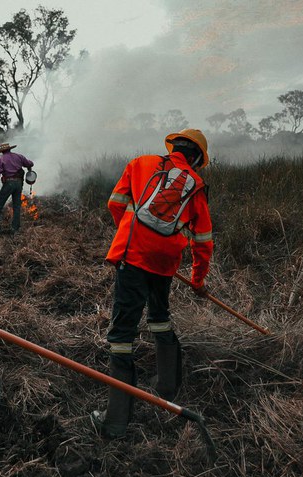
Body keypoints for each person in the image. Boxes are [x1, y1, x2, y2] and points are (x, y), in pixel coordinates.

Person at [91, 129, 213, 439]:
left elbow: (115, 203)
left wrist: (130, 233)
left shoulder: (140, 163)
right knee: (159, 319)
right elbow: (203, 241)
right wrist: (198, 280)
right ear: (197, 159)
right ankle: (167, 390)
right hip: (165, 265)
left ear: (173, 147)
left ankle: (115, 422)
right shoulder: (197, 186)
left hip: (132, 257)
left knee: (121, 335)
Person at [0, 142, 34, 234]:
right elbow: (30, 163)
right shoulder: (19, 156)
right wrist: (30, 169)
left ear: (2, 151)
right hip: (19, 183)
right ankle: (15, 228)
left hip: (9, 183)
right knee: (17, 206)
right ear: (10, 149)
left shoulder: (1, 159)